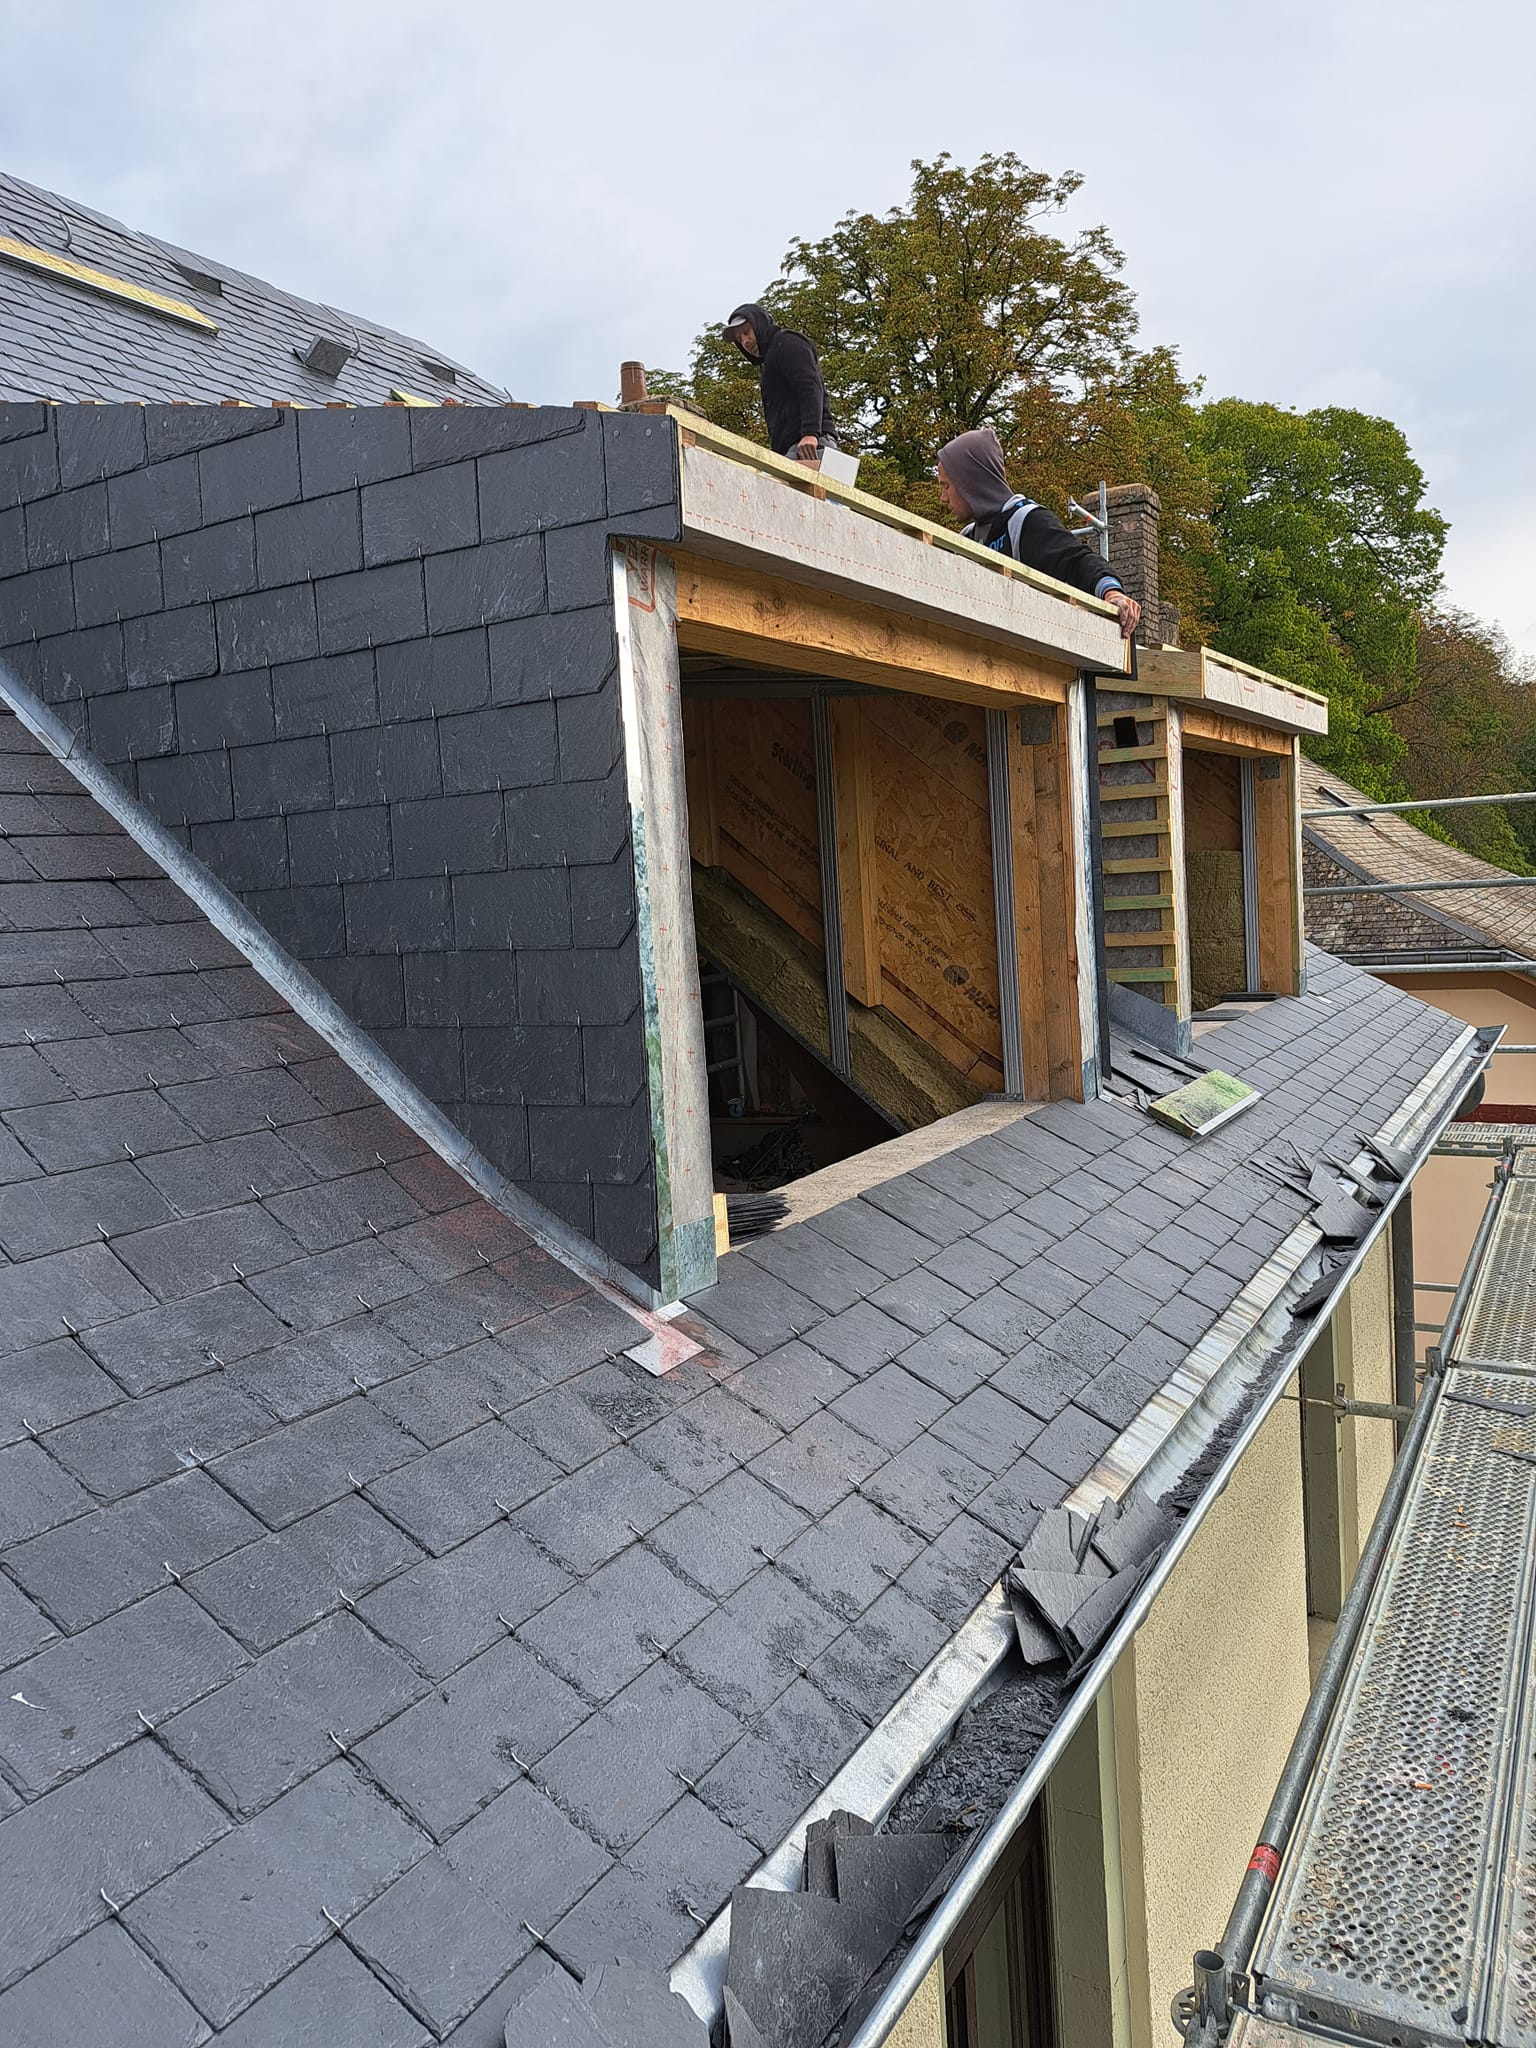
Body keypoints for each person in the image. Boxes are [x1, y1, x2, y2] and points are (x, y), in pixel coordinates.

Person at [936, 427, 1142, 638]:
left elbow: (1076, 561)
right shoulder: (968, 538)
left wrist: (1112, 593)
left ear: (969, 482)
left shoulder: (1024, 521)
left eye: (946, 486)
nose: (943, 498)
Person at [725, 304, 838, 464]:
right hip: (793, 448)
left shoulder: (786, 342)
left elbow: (810, 386)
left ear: (759, 323)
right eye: (739, 339)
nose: (745, 342)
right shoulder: (768, 361)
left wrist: (810, 433)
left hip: (810, 446)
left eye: (746, 332)